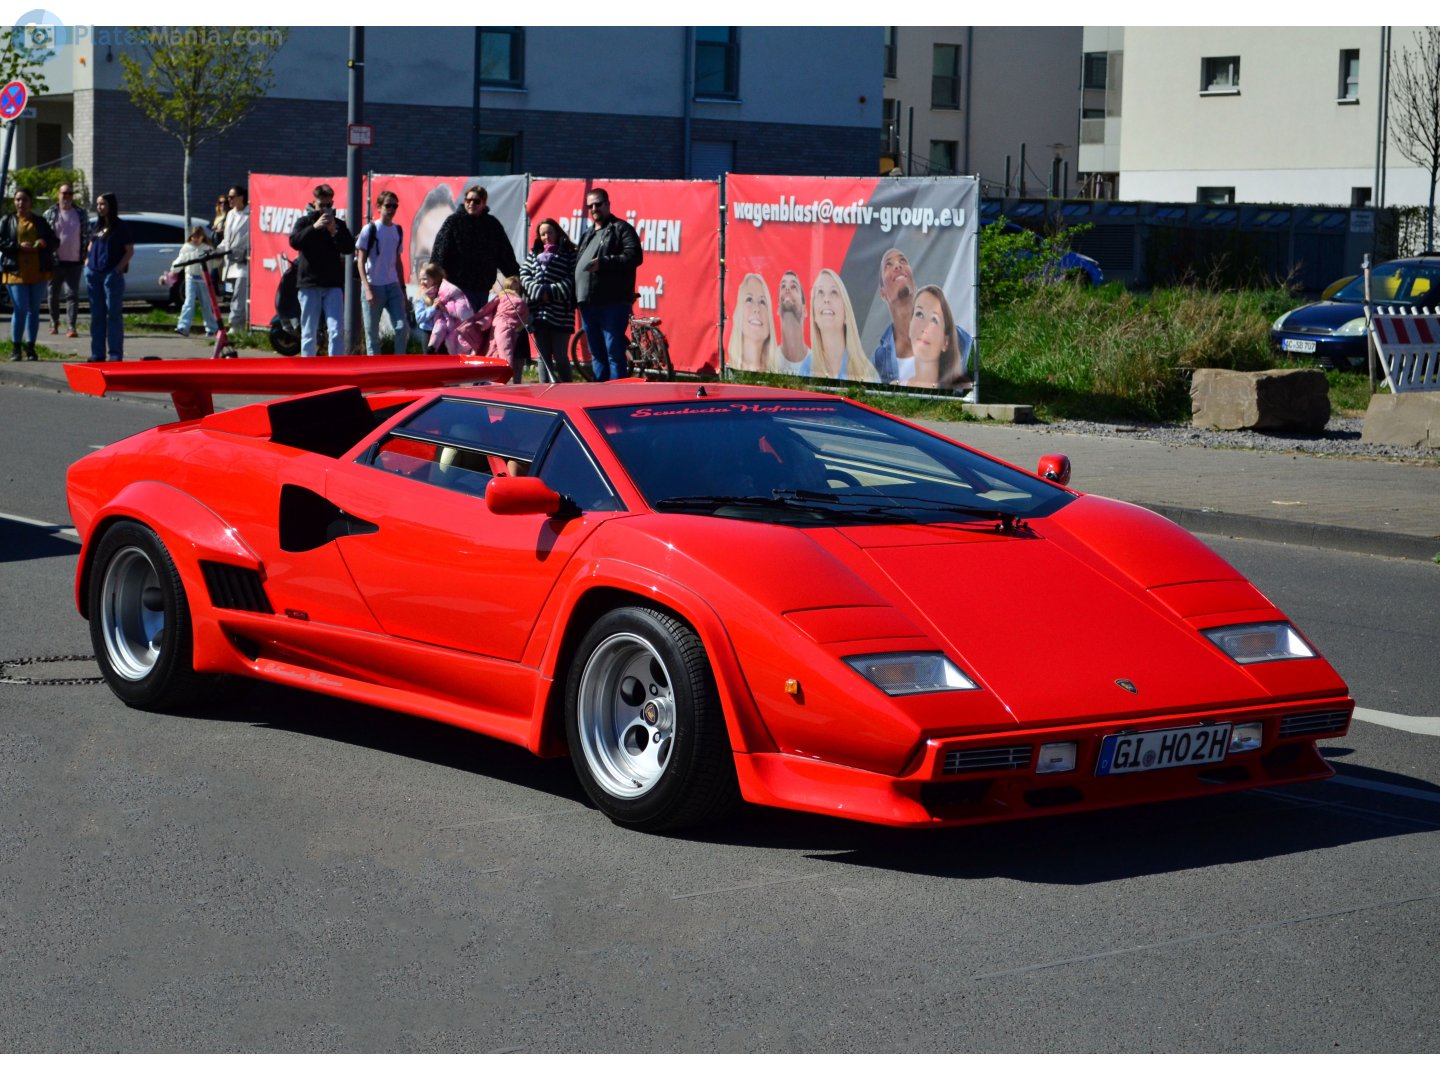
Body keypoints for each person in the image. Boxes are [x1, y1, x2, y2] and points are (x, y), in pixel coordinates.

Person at [574, 187, 643, 381]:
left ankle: (617, 396)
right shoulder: (588, 233)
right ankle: (600, 396)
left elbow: (634, 256)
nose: (594, 208)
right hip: (587, 303)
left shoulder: (621, 228)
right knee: (597, 353)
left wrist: (603, 263)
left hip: (612, 302)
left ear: (608, 204)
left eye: (598, 204)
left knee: (613, 351)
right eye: (590, 206)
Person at [287, 183, 355, 357]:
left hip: (332, 284)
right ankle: (307, 370)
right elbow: (295, 241)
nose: (325, 209)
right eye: (321, 205)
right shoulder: (304, 222)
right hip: (309, 284)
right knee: (309, 331)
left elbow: (348, 247)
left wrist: (334, 232)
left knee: (336, 330)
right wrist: (314, 227)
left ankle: (336, 367)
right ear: (313, 203)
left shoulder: (338, 223)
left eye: (329, 205)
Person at [430, 184, 518, 311]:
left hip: (482, 288)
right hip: (457, 287)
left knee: (477, 327)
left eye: (476, 201)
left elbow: (505, 255)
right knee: (463, 327)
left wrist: (515, 276)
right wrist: (435, 283)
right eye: (468, 200)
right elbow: (439, 254)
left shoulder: (492, 225)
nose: (471, 203)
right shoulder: (453, 222)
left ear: (483, 203)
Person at [2, 188, 57, 362]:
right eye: (18, 200)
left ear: (30, 202)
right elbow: (1, 242)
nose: (21, 203)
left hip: (38, 270)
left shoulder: (40, 222)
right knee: (20, 309)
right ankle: (16, 347)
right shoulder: (7, 220)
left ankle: (31, 348)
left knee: (34, 311)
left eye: (24, 200)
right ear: (14, 202)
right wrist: (18, 246)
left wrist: (44, 242)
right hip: (16, 271)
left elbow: (55, 241)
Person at [519, 218, 577, 381]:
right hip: (539, 314)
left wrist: (550, 292)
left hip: (561, 314)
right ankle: (545, 390)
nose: (546, 237)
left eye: (550, 232)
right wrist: (538, 291)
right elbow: (524, 275)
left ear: (557, 233)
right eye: (543, 234)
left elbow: (572, 278)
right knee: (543, 358)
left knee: (560, 356)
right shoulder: (534, 253)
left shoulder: (569, 253)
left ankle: (568, 389)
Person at [356, 189, 409, 355]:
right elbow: (360, 261)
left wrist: (402, 289)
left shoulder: (397, 230)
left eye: (395, 206)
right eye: (388, 205)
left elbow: (398, 261)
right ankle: (375, 370)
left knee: (402, 327)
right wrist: (367, 288)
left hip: (392, 285)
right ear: (378, 207)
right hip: (373, 285)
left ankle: (398, 366)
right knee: (372, 334)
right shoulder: (370, 229)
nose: (391, 209)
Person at [804, 268, 878, 382]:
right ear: (814, 316)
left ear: (846, 314)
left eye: (834, 292)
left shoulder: (866, 372)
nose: (826, 299)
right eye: (820, 292)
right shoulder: (806, 369)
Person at [84, 192, 133, 362]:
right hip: (94, 274)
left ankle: (115, 354)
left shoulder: (120, 227)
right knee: (97, 316)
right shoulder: (96, 226)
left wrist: (118, 269)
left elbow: (129, 251)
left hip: (111, 275)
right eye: (98, 204)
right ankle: (97, 353)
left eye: (103, 204)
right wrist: (87, 264)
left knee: (113, 315)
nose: (100, 207)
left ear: (111, 205)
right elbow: (90, 246)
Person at [909, 284, 974, 391]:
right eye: (919, 314)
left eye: (934, 319)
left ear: (945, 342)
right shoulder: (893, 385)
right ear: (910, 327)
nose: (925, 326)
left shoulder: (962, 389)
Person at [44, 182, 88, 339]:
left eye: (70, 193)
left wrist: (85, 255)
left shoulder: (80, 213)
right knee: (53, 294)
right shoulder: (50, 213)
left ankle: (71, 326)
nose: (67, 196)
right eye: (64, 193)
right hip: (55, 260)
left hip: (75, 261)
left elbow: (86, 235)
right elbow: (44, 234)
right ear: (59, 195)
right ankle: (54, 322)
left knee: (72, 294)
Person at [870, 247, 916, 384]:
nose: (897, 265)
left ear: (914, 283)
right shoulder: (879, 359)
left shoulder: (946, 336)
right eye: (888, 265)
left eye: (903, 260)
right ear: (883, 293)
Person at [169, 226, 219, 338]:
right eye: (194, 236)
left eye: (198, 237)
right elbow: (181, 260)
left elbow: (214, 263)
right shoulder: (187, 247)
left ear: (203, 237)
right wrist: (174, 269)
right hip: (190, 277)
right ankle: (183, 326)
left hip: (204, 279)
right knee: (189, 302)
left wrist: (217, 258)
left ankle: (212, 328)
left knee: (206, 303)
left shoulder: (207, 248)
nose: (196, 239)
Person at [484, 275, 532, 382]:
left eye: (517, 289)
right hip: (506, 334)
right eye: (511, 289)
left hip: (520, 337)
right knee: (506, 360)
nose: (514, 292)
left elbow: (526, 318)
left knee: (518, 367)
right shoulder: (499, 300)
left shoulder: (521, 303)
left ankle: (517, 389)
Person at [726, 273, 777, 372]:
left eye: (762, 302)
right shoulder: (727, 367)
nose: (756, 309)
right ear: (738, 312)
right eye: (749, 299)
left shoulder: (781, 372)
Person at [216, 185, 250, 332]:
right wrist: (217, 250)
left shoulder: (251, 214)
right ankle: (241, 325)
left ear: (241, 197)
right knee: (234, 295)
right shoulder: (230, 215)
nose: (228, 200)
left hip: (244, 261)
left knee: (239, 294)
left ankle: (235, 325)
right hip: (231, 261)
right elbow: (227, 239)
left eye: (231, 197)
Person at [418, 262, 473, 355]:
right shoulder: (421, 297)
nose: (422, 282)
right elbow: (419, 318)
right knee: (429, 359)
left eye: (425, 279)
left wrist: (445, 309)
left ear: (434, 279)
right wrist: (433, 308)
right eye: (420, 279)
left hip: (443, 334)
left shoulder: (444, 294)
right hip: (427, 332)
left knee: (442, 360)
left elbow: (460, 309)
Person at [775, 269, 808, 375]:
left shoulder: (818, 364)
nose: (787, 288)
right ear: (778, 309)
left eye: (793, 286)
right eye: (783, 286)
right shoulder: (769, 360)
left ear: (805, 311)